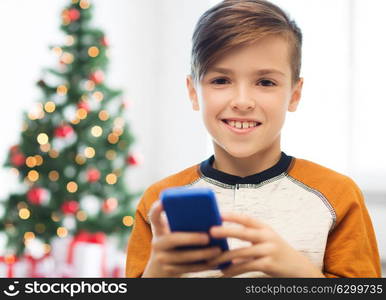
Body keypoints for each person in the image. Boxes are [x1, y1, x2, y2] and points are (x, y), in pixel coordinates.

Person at [125, 0, 381, 278]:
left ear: (294, 94)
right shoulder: (158, 203)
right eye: (221, 80)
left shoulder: (339, 196)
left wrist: (299, 273)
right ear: (193, 92)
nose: (242, 101)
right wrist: (157, 275)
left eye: (265, 82)